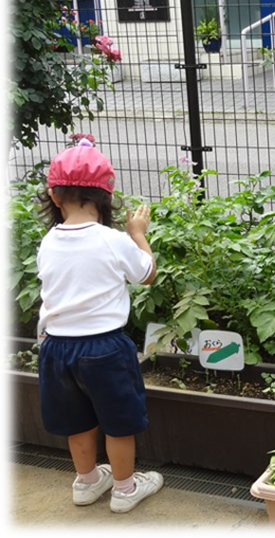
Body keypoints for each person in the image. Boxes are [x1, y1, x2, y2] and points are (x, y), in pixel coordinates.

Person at [37, 139, 163, 513]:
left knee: (76, 420)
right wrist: (138, 233)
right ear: (106, 198)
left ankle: (87, 481)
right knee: (118, 422)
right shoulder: (112, 240)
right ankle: (125, 488)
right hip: (104, 348)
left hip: (56, 348)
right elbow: (147, 275)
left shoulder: (48, 242)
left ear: (54, 196)